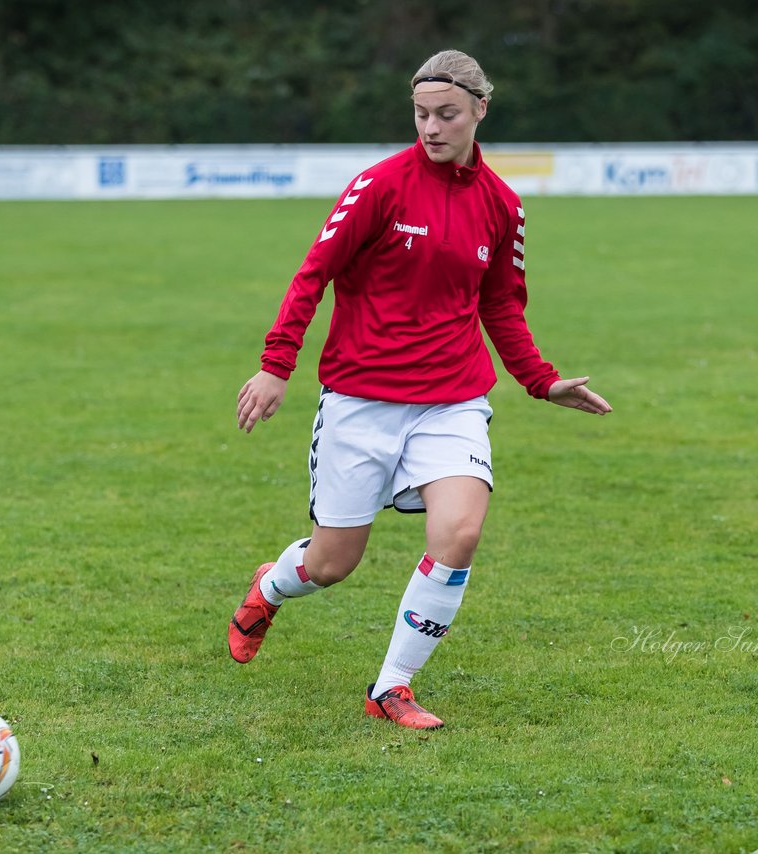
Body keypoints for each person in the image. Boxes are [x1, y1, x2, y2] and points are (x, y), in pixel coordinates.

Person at [228, 49, 612, 730]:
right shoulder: (379, 186)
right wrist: (275, 364)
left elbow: (502, 308)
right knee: (331, 563)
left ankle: (391, 688)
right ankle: (269, 588)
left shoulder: (502, 205)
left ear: (479, 111)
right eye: (420, 113)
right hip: (360, 403)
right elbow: (312, 274)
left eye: (446, 114)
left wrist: (541, 381)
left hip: (453, 401)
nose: (431, 127)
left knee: (459, 531)